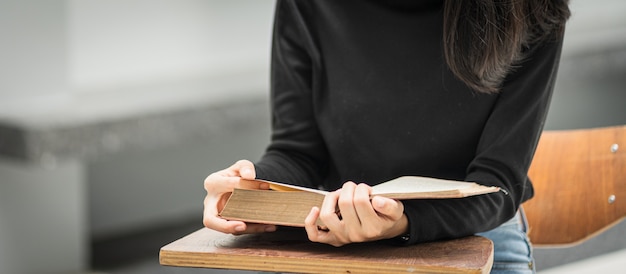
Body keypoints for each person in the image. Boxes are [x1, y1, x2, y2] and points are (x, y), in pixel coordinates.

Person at [203, 0, 570, 273]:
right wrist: (253, 187)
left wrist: (403, 222)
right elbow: (298, 151)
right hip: (338, 236)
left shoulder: (530, 8)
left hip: (478, 234)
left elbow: (498, 183)